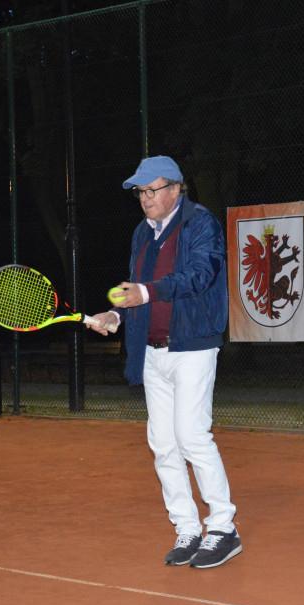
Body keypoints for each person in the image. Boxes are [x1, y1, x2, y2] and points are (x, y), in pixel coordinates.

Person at [88, 155, 241, 569]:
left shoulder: (200, 223)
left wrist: (146, 292)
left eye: (151, 190)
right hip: (152, 352)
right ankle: (188, 528)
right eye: (140, 192)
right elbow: (137, 291)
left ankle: (223, 529)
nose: (144, 198)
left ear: (175, 188)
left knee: (192, 436)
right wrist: (116, 315)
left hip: (192, 346)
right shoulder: (142, 233)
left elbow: (200, 274)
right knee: (163, 445)